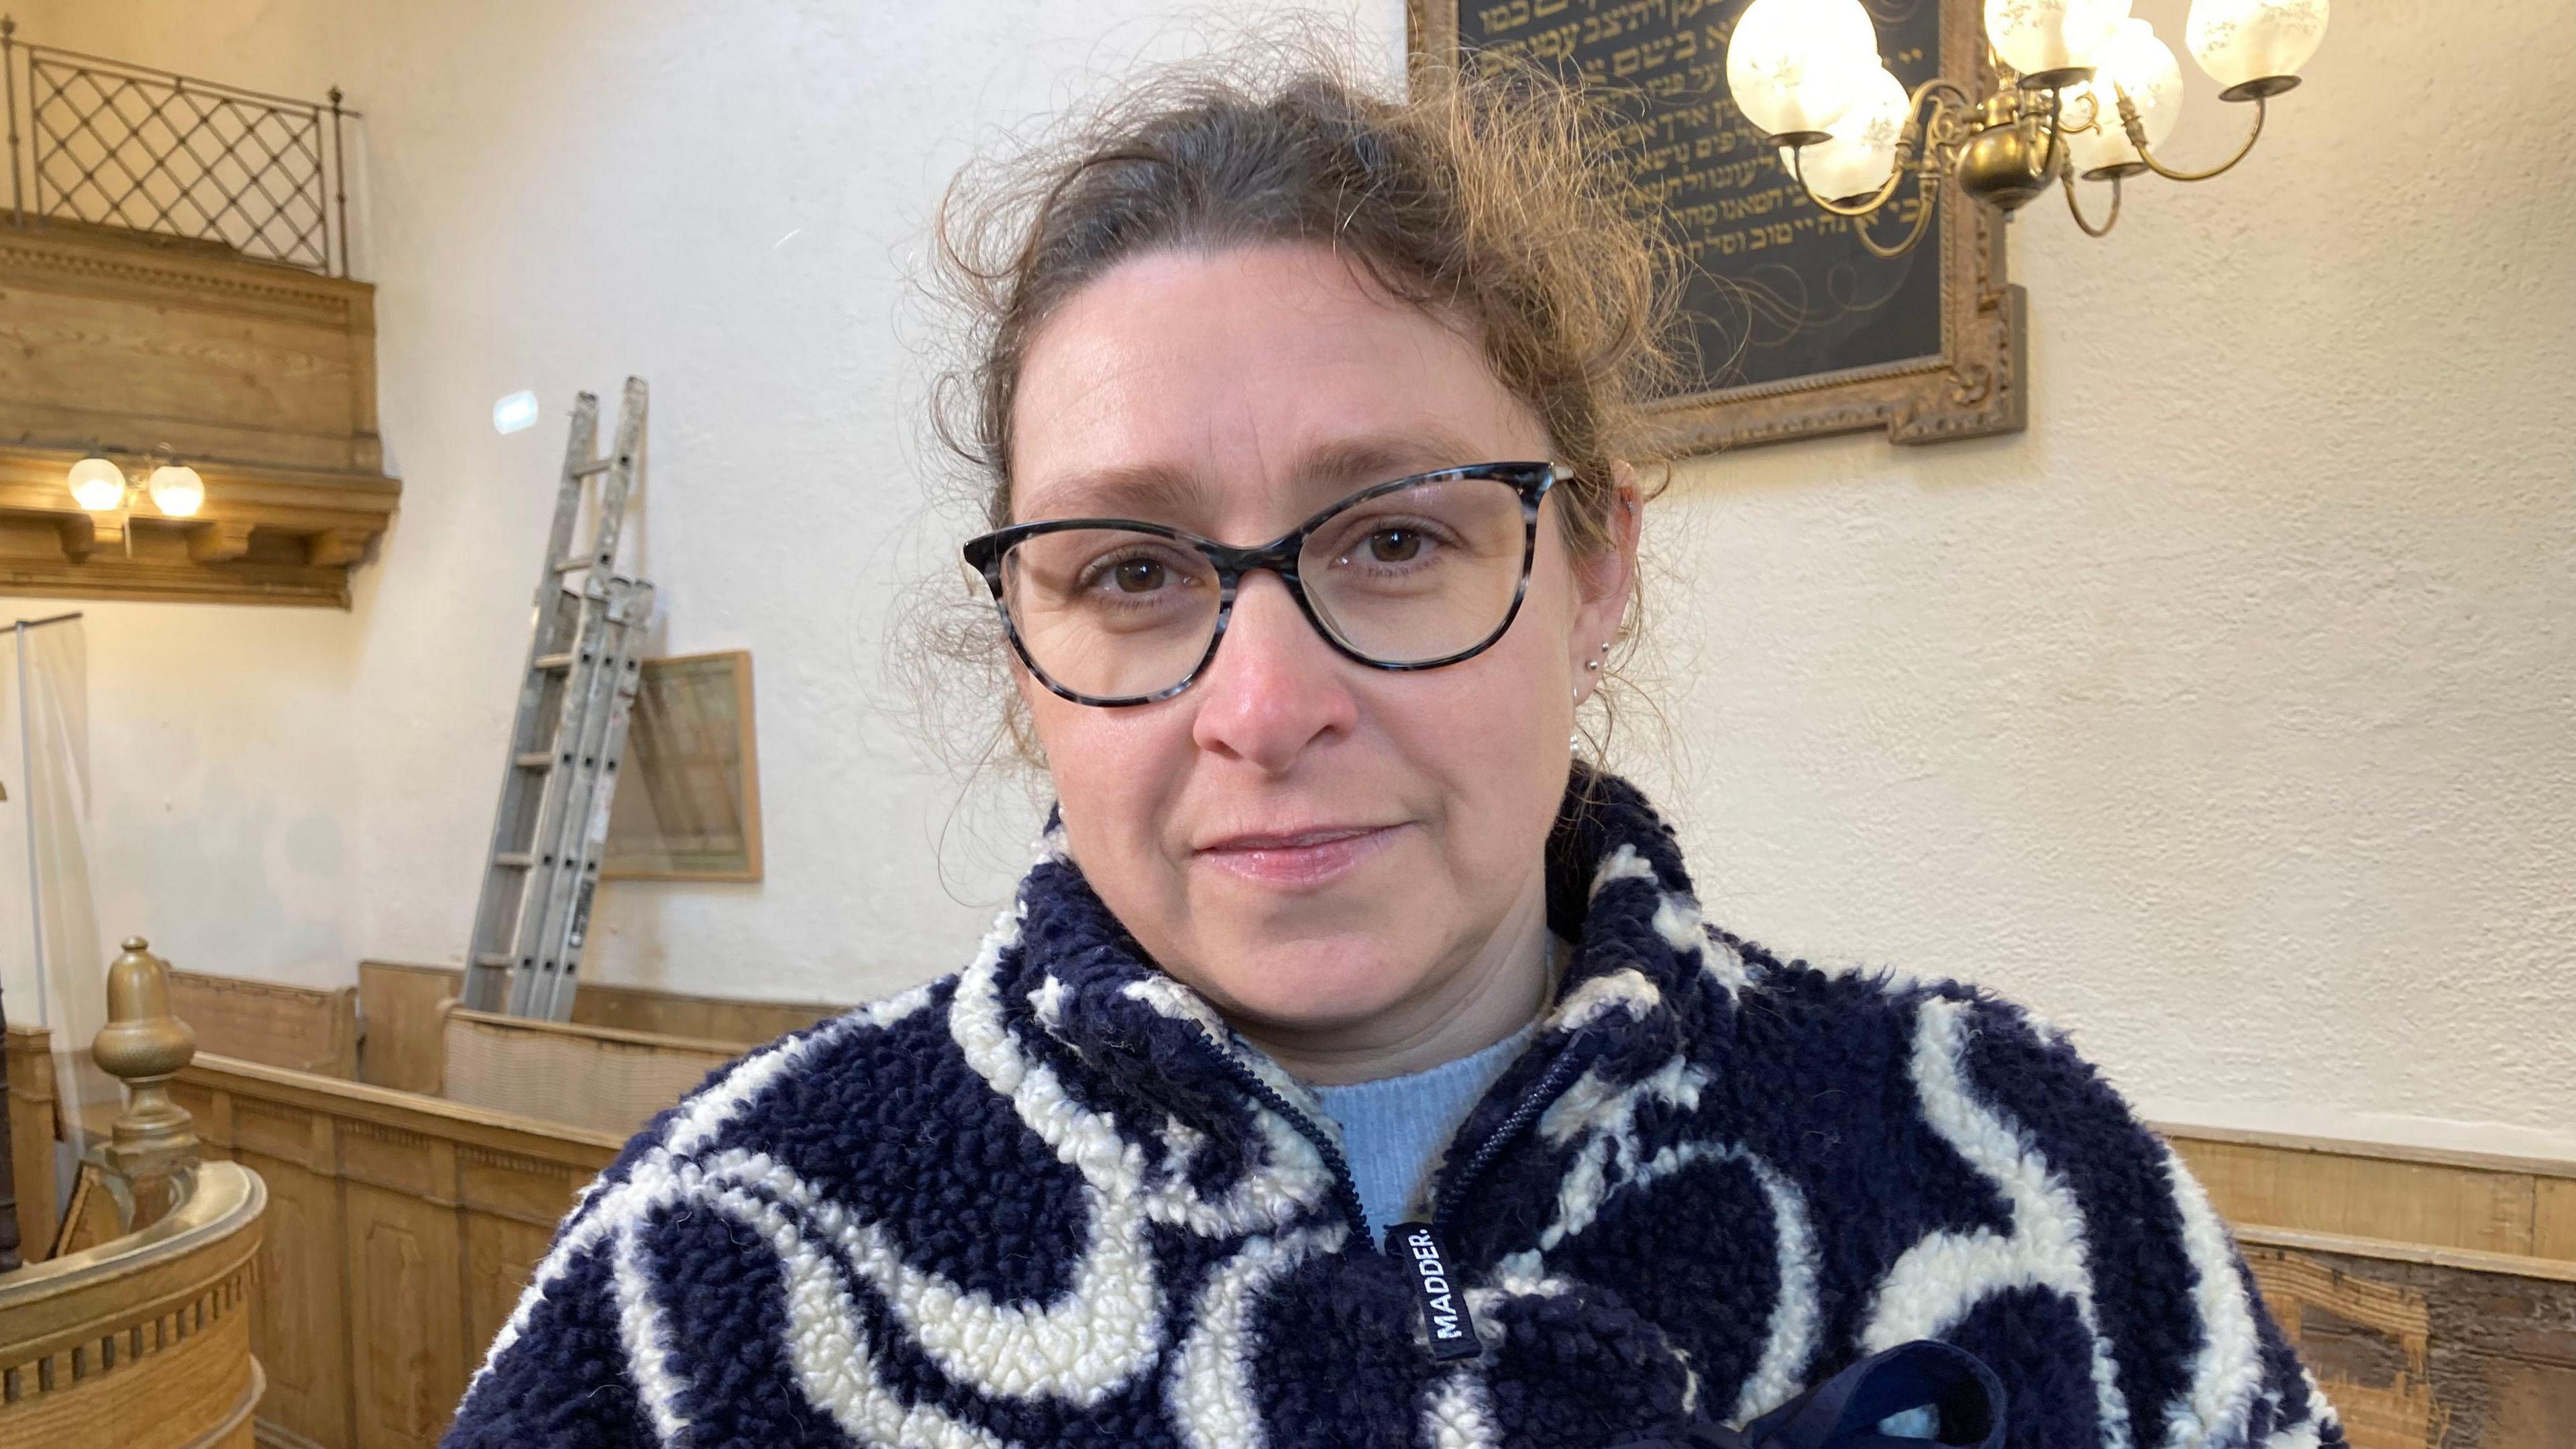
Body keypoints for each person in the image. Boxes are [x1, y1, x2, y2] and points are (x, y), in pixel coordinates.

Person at [444, 53, 2344, 1449]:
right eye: (1128, 571)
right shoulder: (727, 1258)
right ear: (1022, 642)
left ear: (1595, 561)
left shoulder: (1994, 1164)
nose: (1264, 709)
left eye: (1398, 540)